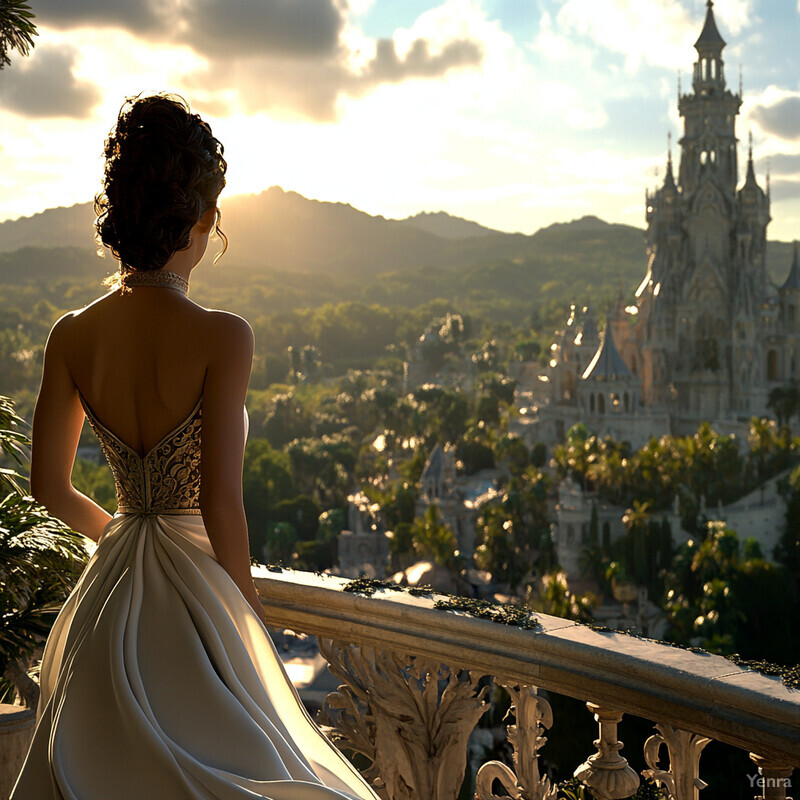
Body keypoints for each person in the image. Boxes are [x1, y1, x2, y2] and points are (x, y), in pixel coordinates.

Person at [11, 94, 379, 800]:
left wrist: (117, 537)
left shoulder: (71, 335)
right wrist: (243, 610)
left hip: (112, 592)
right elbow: (219, 503)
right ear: (201, 220)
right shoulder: (224, 335)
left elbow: (49, 488)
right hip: (194, 588)